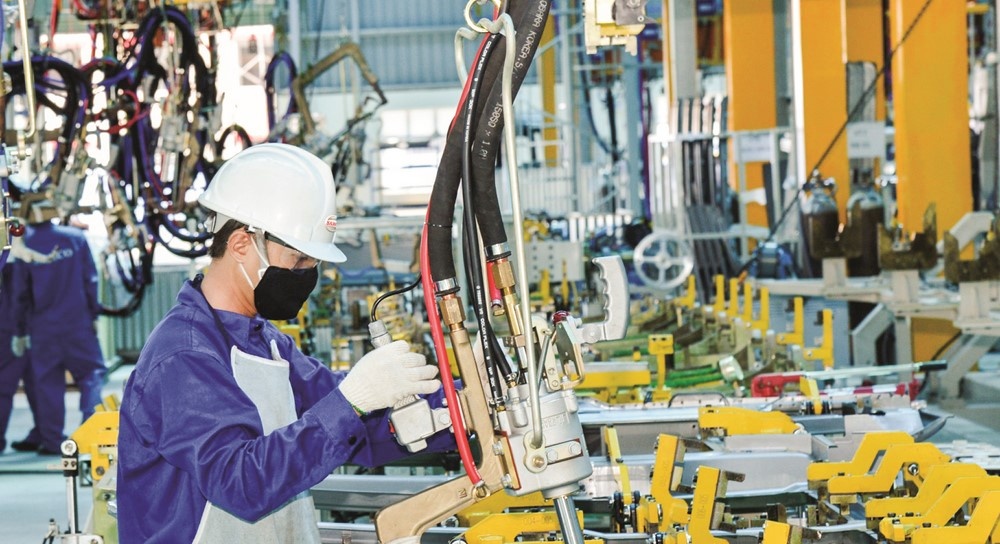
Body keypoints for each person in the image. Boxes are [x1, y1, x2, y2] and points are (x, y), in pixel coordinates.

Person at [117, 143, 451, 543]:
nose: (307, 274)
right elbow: (241, 482)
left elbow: (350, 429)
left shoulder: (265, 342)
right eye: (298, 259)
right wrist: (353, 400)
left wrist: (453, 409)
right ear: (242, 244)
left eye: (313, 263)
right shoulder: (185, 355)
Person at [8, 213, 106, 455]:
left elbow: (20, 293)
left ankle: (52, 441)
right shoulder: (75, 238)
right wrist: (93, 313)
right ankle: (90, 430)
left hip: (43, 328)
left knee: (48, 384)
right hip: (77, 323)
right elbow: (90, 278)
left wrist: (19, 331)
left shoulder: (24, 244)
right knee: (91, 375)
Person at [0, 256, 37, 453]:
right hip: (20, 326)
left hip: (15, 325)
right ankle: (47, 434)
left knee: (7, 386)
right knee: (36, 383)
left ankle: (44, 434)